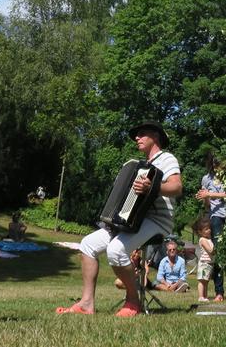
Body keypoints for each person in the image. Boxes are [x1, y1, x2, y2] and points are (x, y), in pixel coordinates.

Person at [56, 120, 181, 317]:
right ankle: (87, 304)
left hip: (158, 221)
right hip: (133, 220)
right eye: (136, 136)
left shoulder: (167, 159)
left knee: (116, 250)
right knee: (87, 245)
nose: (136, 138)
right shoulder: (136, 165)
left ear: (155, 136)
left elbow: (177, 187)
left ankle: (133, 301)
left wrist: (153, 187)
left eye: (141, 134)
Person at [195, 150, 226, 301]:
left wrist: (210, 194)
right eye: (215, 165)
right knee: (217, 254)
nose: (218, 168)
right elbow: (207, 203)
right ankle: (219, 292)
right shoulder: (206, 179)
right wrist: (204, 198)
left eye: (220, 165)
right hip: (215, 216)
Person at [194, 218, 215, 302]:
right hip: (204, 263)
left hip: (209, 263)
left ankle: (205, 296)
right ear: (200, 232)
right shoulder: (202, 240)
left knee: (206, 281)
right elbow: (210, 250)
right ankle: (200, 296)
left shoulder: (209, 239)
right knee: (202, 281)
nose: (209, 230)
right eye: (206, 229)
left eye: (209, 228)